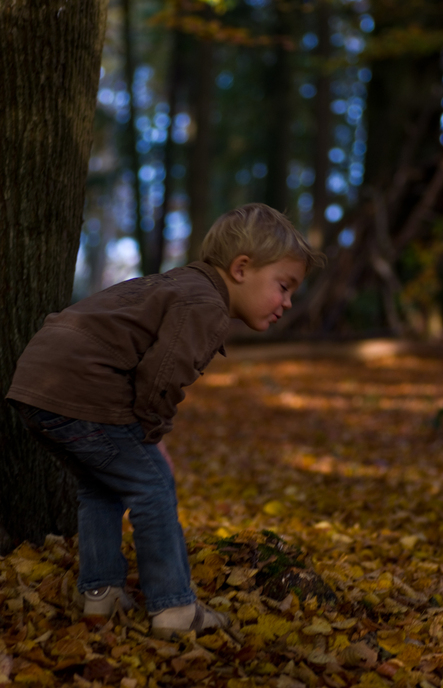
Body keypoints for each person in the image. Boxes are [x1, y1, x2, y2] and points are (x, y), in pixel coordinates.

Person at [6, 203, 322, 639]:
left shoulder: (181, 285)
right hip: (79, 387)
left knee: (102, 485)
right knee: (153, 485)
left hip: (38, 386)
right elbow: (161, 375)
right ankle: (173, 607)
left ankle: (100, 592)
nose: (286, 302)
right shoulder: (205, 304)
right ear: (242, 268)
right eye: (283, 287)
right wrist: (153, 436)